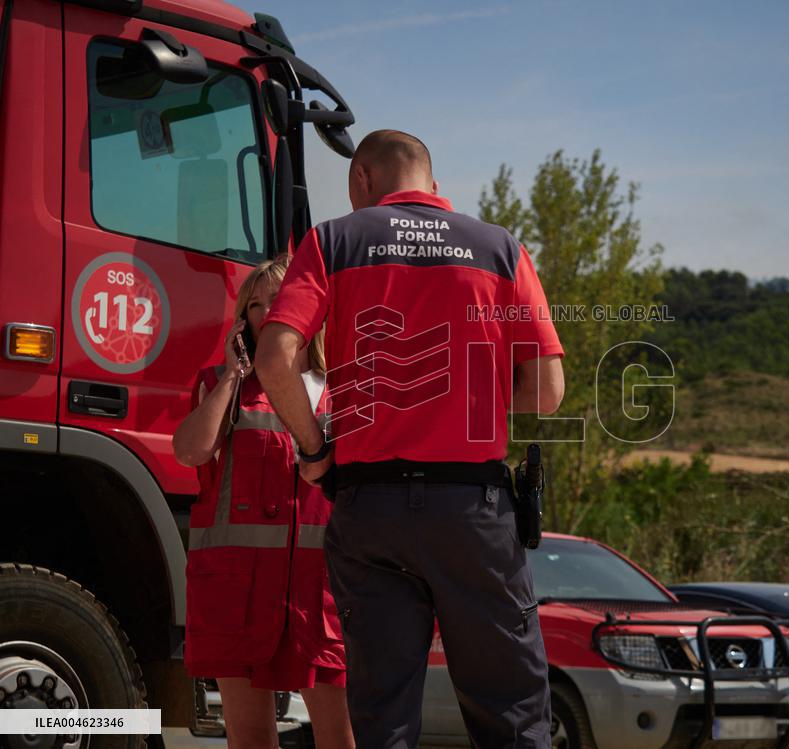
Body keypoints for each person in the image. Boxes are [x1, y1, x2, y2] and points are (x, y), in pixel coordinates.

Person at [255, 130, 565, 749]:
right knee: (511, 714)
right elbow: (547, 391)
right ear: (432, 184)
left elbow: (273, 358)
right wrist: (464, 393)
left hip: (369, 507)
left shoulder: (335, 241)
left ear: (363, 177)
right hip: (471, 513)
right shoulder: (499, 249)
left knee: (383, 720)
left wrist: (315, 451)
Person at [172, 255, 354, 749]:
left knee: (341, 738)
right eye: (255, 305)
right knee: (250, 738)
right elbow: (190, 451)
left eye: (280, 299)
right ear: (244, 322)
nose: (269, 311)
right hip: (239, 595)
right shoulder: (219, 383)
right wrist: (234, 375)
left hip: (321, 595)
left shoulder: (343, 390)